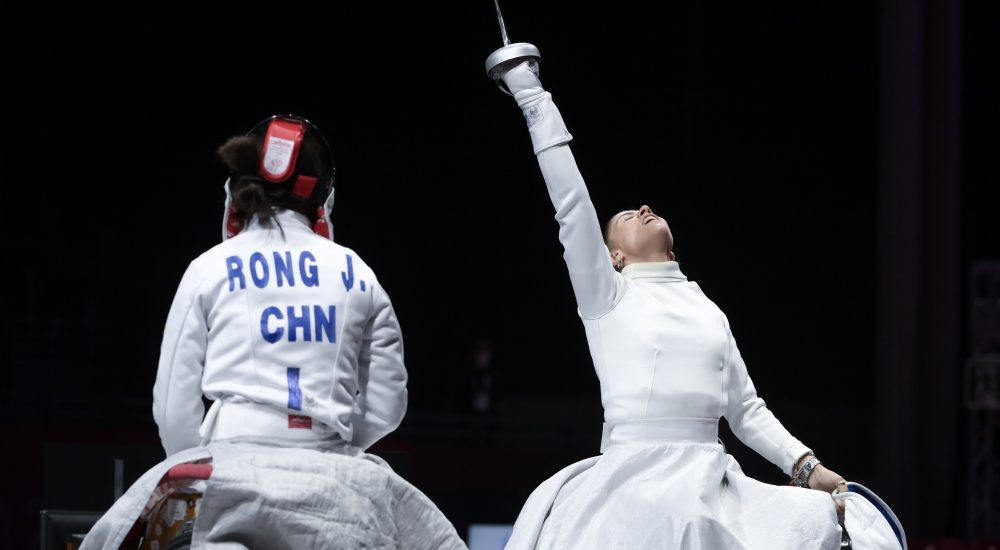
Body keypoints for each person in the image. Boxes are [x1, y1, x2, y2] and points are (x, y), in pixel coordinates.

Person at [490, 56, 901, 550]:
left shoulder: (709, 311)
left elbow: (746, 411)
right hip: (635, 483)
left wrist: (807, 467)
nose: (644, 208)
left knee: (825, 521)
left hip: (709, 481)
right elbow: (571, 201)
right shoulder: (608, 295)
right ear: (613, 256)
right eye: (627, 216)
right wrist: (532, 96)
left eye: (644, 208)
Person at [81, 115, 466, 549]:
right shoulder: (358, 273)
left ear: (236, 190)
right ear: (324, 196)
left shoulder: (208, 267)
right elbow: (386, 406)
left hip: (225, 473)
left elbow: (174, 408)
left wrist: (201, 467)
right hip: (338, 489)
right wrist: (330, 441)